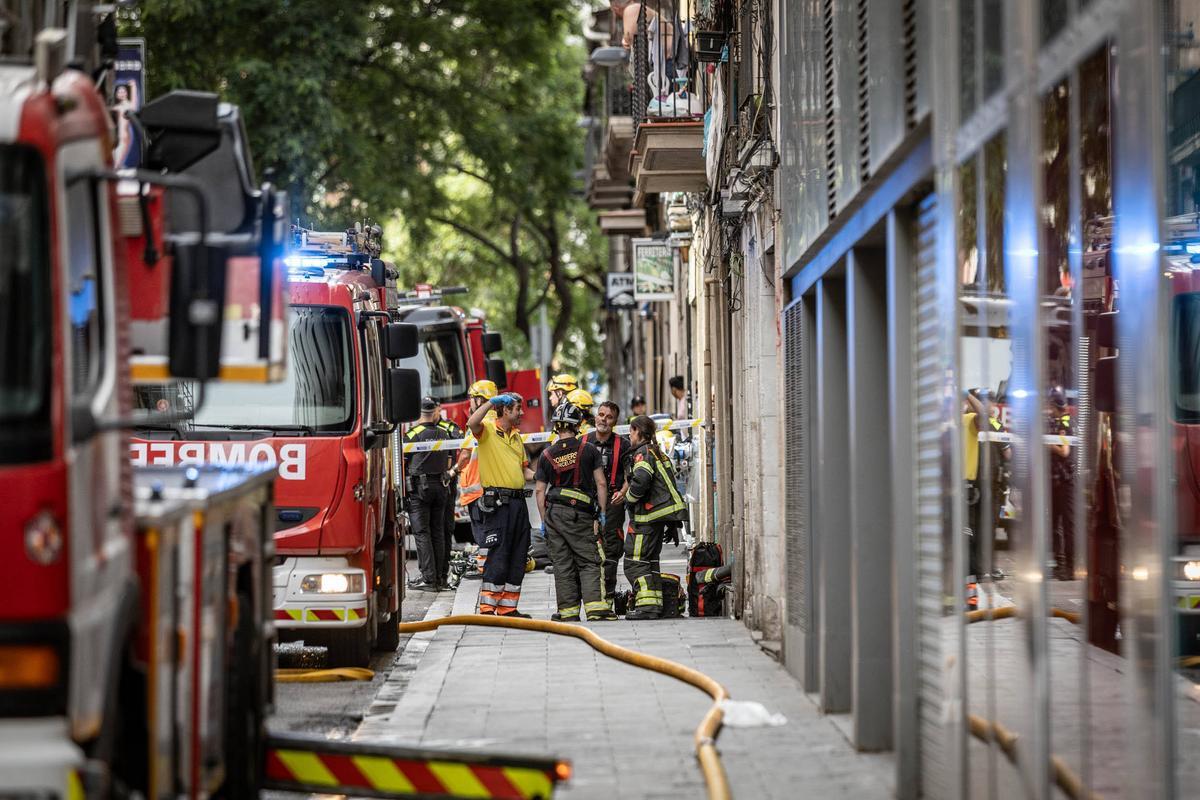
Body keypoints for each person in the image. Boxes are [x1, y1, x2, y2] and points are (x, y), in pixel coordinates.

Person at [535, 402, 615, 622]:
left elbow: (540, 491)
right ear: (578, 425)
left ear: (556, 426)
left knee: (562, 564)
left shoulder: (546, 454)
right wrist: (602, 513)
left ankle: (568, 612)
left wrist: (544, 522)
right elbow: (601, 483)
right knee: (589, 560)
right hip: (580, 514)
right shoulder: (588, 449)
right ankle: (596, 609)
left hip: (554, 515)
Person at [468, 391, 535, 616]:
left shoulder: (516, 437)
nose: (522, 413)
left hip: (517, 505)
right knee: (498, 554)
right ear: (506, 410)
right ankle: (488, 608)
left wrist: (543, 475)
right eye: (518, 409)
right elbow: (471, 422)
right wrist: (490, 403)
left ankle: (508, 608)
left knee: (518, 554)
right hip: (498, 504)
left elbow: (523, 470)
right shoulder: (487, 432)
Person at [624, 415, 687, 620]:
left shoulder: (642, 454)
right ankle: (655, 604)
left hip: (646, 520)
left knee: (635, 561)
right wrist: (671, 523)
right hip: (658, 519)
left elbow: (641, 480)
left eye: (631, 431)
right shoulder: (657, 452)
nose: (629, 435)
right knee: (651, 563)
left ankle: (648, 607)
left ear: (638, 432)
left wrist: (629, 499)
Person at [404, 397, 455, 591]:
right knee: (438, 532)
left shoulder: (412, 434)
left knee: (422, 532)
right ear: (435, 412)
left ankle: (428, 578)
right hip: (441, 487)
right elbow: (450, 461)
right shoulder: (445, 433)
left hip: (420, 489)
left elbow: (404, 462)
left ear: (418, 414)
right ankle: (440, 577)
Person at [586, 400, 632, 602]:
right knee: (588, 548)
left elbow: (631, 475)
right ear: (596, 416)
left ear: (615, 422)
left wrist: (623, 492)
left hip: (613, 504)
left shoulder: (623, 445)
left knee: (611, 549)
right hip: (587, 502)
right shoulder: (583, 441)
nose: (603, 419)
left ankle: (609, 597)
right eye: (601, 414)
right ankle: (592, 596)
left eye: (609, 417)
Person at [455, 380, 498, 578]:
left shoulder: (477, 423)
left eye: (472, 398)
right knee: (492, 529)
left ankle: (484, 568)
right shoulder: (498, 421)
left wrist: (454, 471)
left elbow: (465, 455)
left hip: (477, 489)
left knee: (482, 532)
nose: (470, 402)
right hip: (494, 487)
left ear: (480, 399)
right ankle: (491, 565)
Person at [1047, 387, 1075, 581]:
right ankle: (1059, 564)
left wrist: (1048, 444)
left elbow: (1064, 452)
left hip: (1065, 481)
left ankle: (1068, 568)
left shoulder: (1064, 423)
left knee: (1067, 525)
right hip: (1057, 481)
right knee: (1055, 524)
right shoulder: (1058, 422)